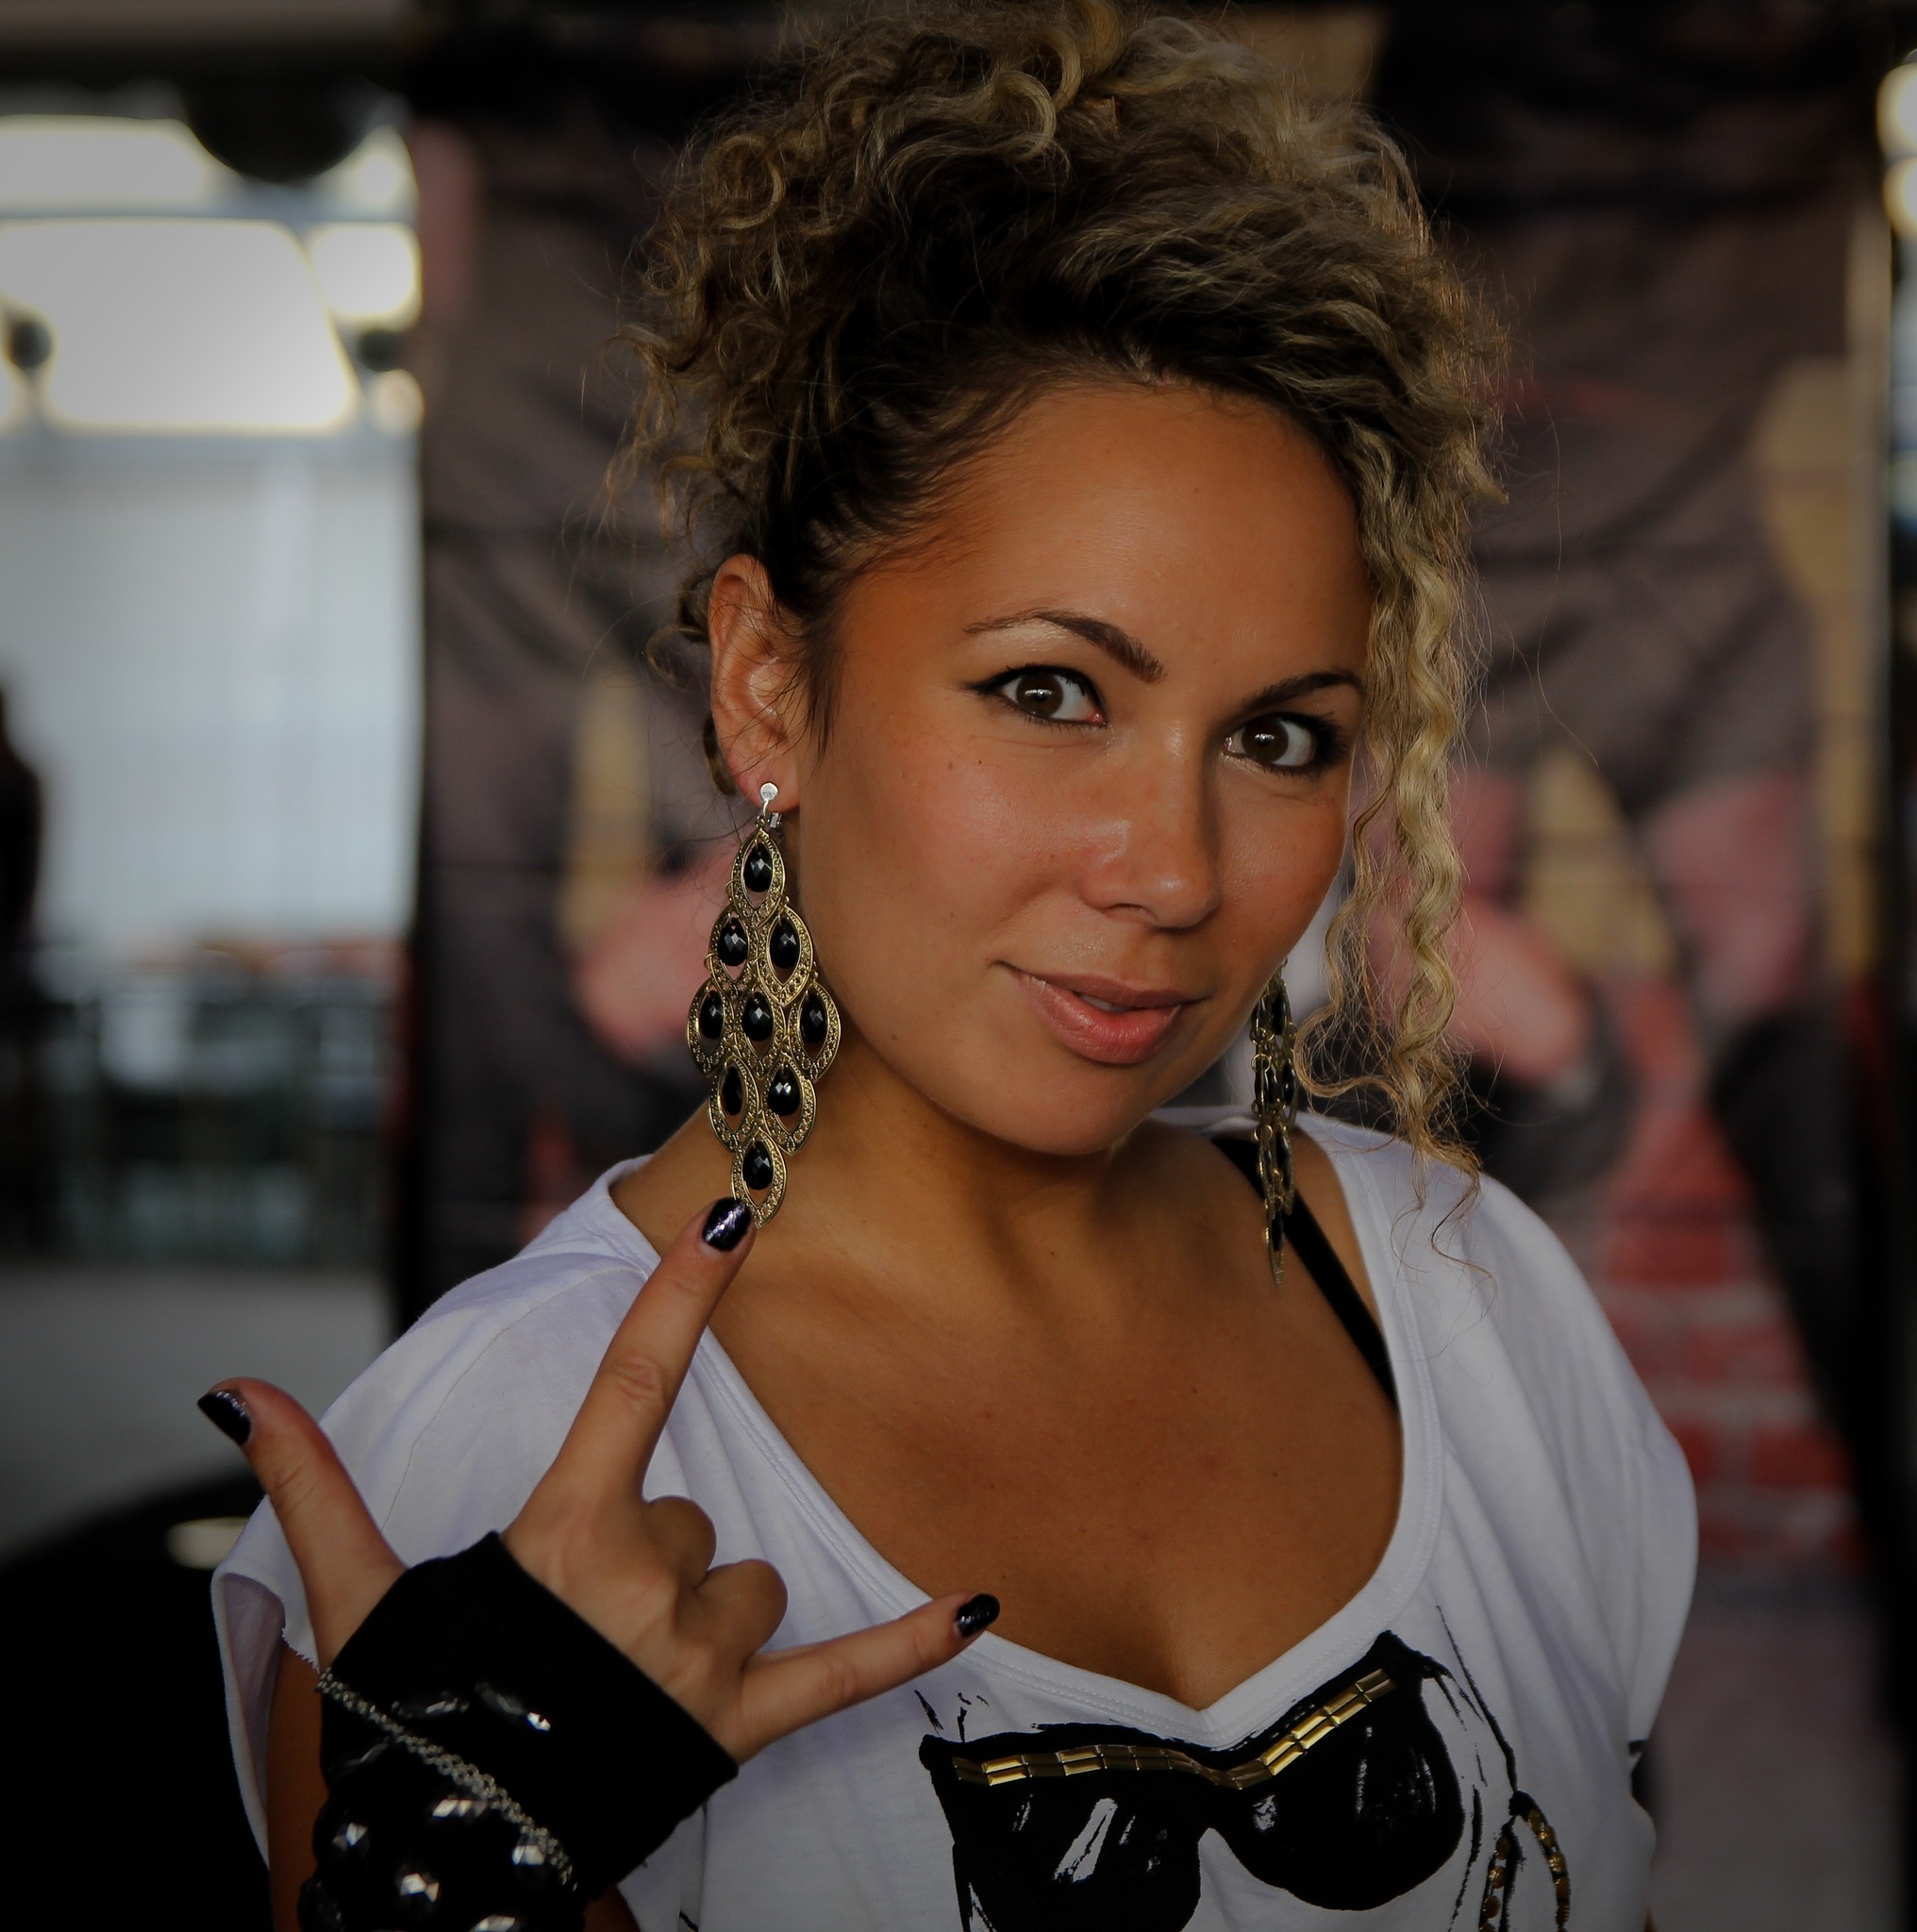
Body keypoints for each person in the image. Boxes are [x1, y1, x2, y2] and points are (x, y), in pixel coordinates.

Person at [208, 7, 1694, 1929]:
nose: (1174, 870)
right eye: (1048, 693)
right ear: (770, 685)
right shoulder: (508, 1462)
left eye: (1279, 737)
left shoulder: (1477, 1312)